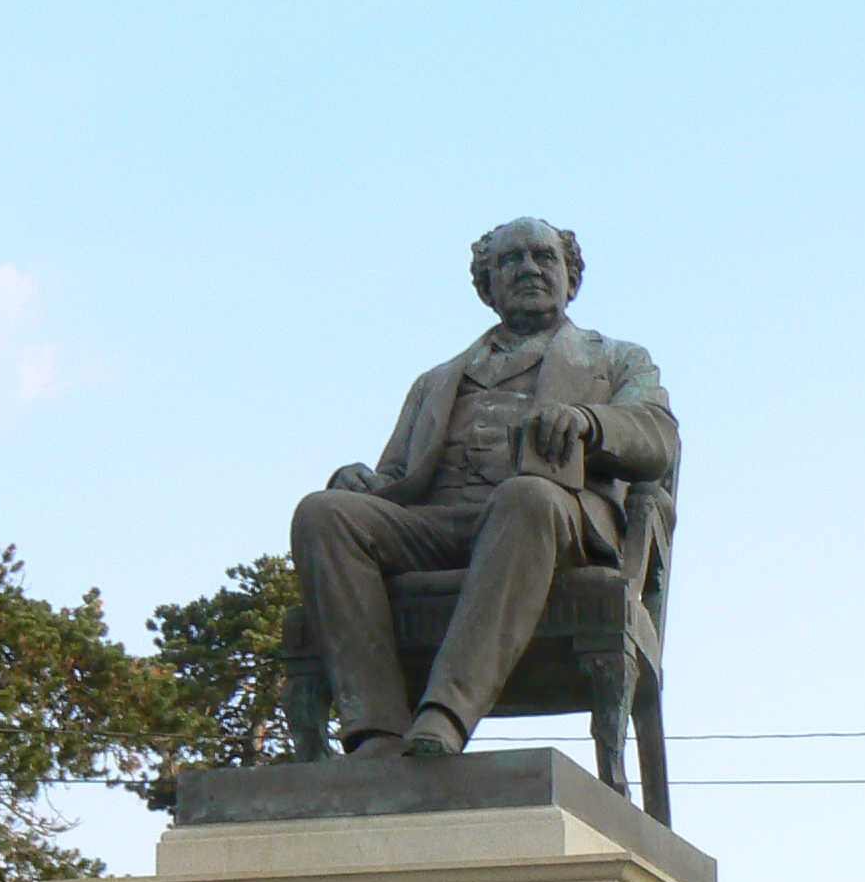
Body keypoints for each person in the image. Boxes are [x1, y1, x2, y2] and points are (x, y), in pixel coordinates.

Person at [290, 216, 679, 758]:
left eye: (544, 257)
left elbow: (659, 437)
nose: (529, 269)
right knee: (322, 513)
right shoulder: (436, 380)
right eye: (511, 260)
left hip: (549, 518)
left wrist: (591, 422)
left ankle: (445, 715)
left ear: (570, 276)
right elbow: (396, 477)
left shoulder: (615, 358)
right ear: (488, 285)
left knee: (526, 495)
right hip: (437, 524)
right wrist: (355, 482)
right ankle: (377, 732)